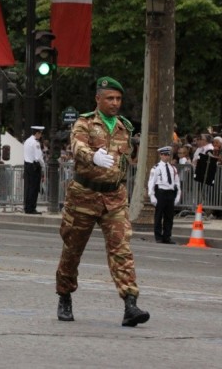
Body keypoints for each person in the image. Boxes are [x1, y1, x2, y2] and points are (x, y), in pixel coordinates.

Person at [55, 76, 149, 327]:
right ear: (98, 99)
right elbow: (76, 146)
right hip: (84, 196)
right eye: (110, 98)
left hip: (114, 197)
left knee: (122, 249)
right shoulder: (84, 123)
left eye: (118, 99)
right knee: (73, 249)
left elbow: (127, 160)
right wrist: (92, 157)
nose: (115, 103)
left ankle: (130, 302)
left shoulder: (125, 127)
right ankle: (64, 294)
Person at [148, 146, 181, 244]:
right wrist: (152, 195)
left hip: (170, 193)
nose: (166, 157)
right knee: (159, 216)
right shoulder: (156, 168)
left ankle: (167, 236)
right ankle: (158, 237)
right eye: (164, 155)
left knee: (169, 217)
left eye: (168, 155)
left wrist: (178, 195)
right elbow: (151, 182)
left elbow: (177, 182)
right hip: (161, 192)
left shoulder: (173, 168)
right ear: (160, 155)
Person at [23, 125, 45, 214]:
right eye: (40, 134)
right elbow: (38, 157)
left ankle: (27, 207)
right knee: (34, 188)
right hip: (34, 166)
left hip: (27, 165)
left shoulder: (27, 141)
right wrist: (43, 165)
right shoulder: (35, 143)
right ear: (37, 133)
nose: (41, 136)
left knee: (28, 187)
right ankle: (32, 208)